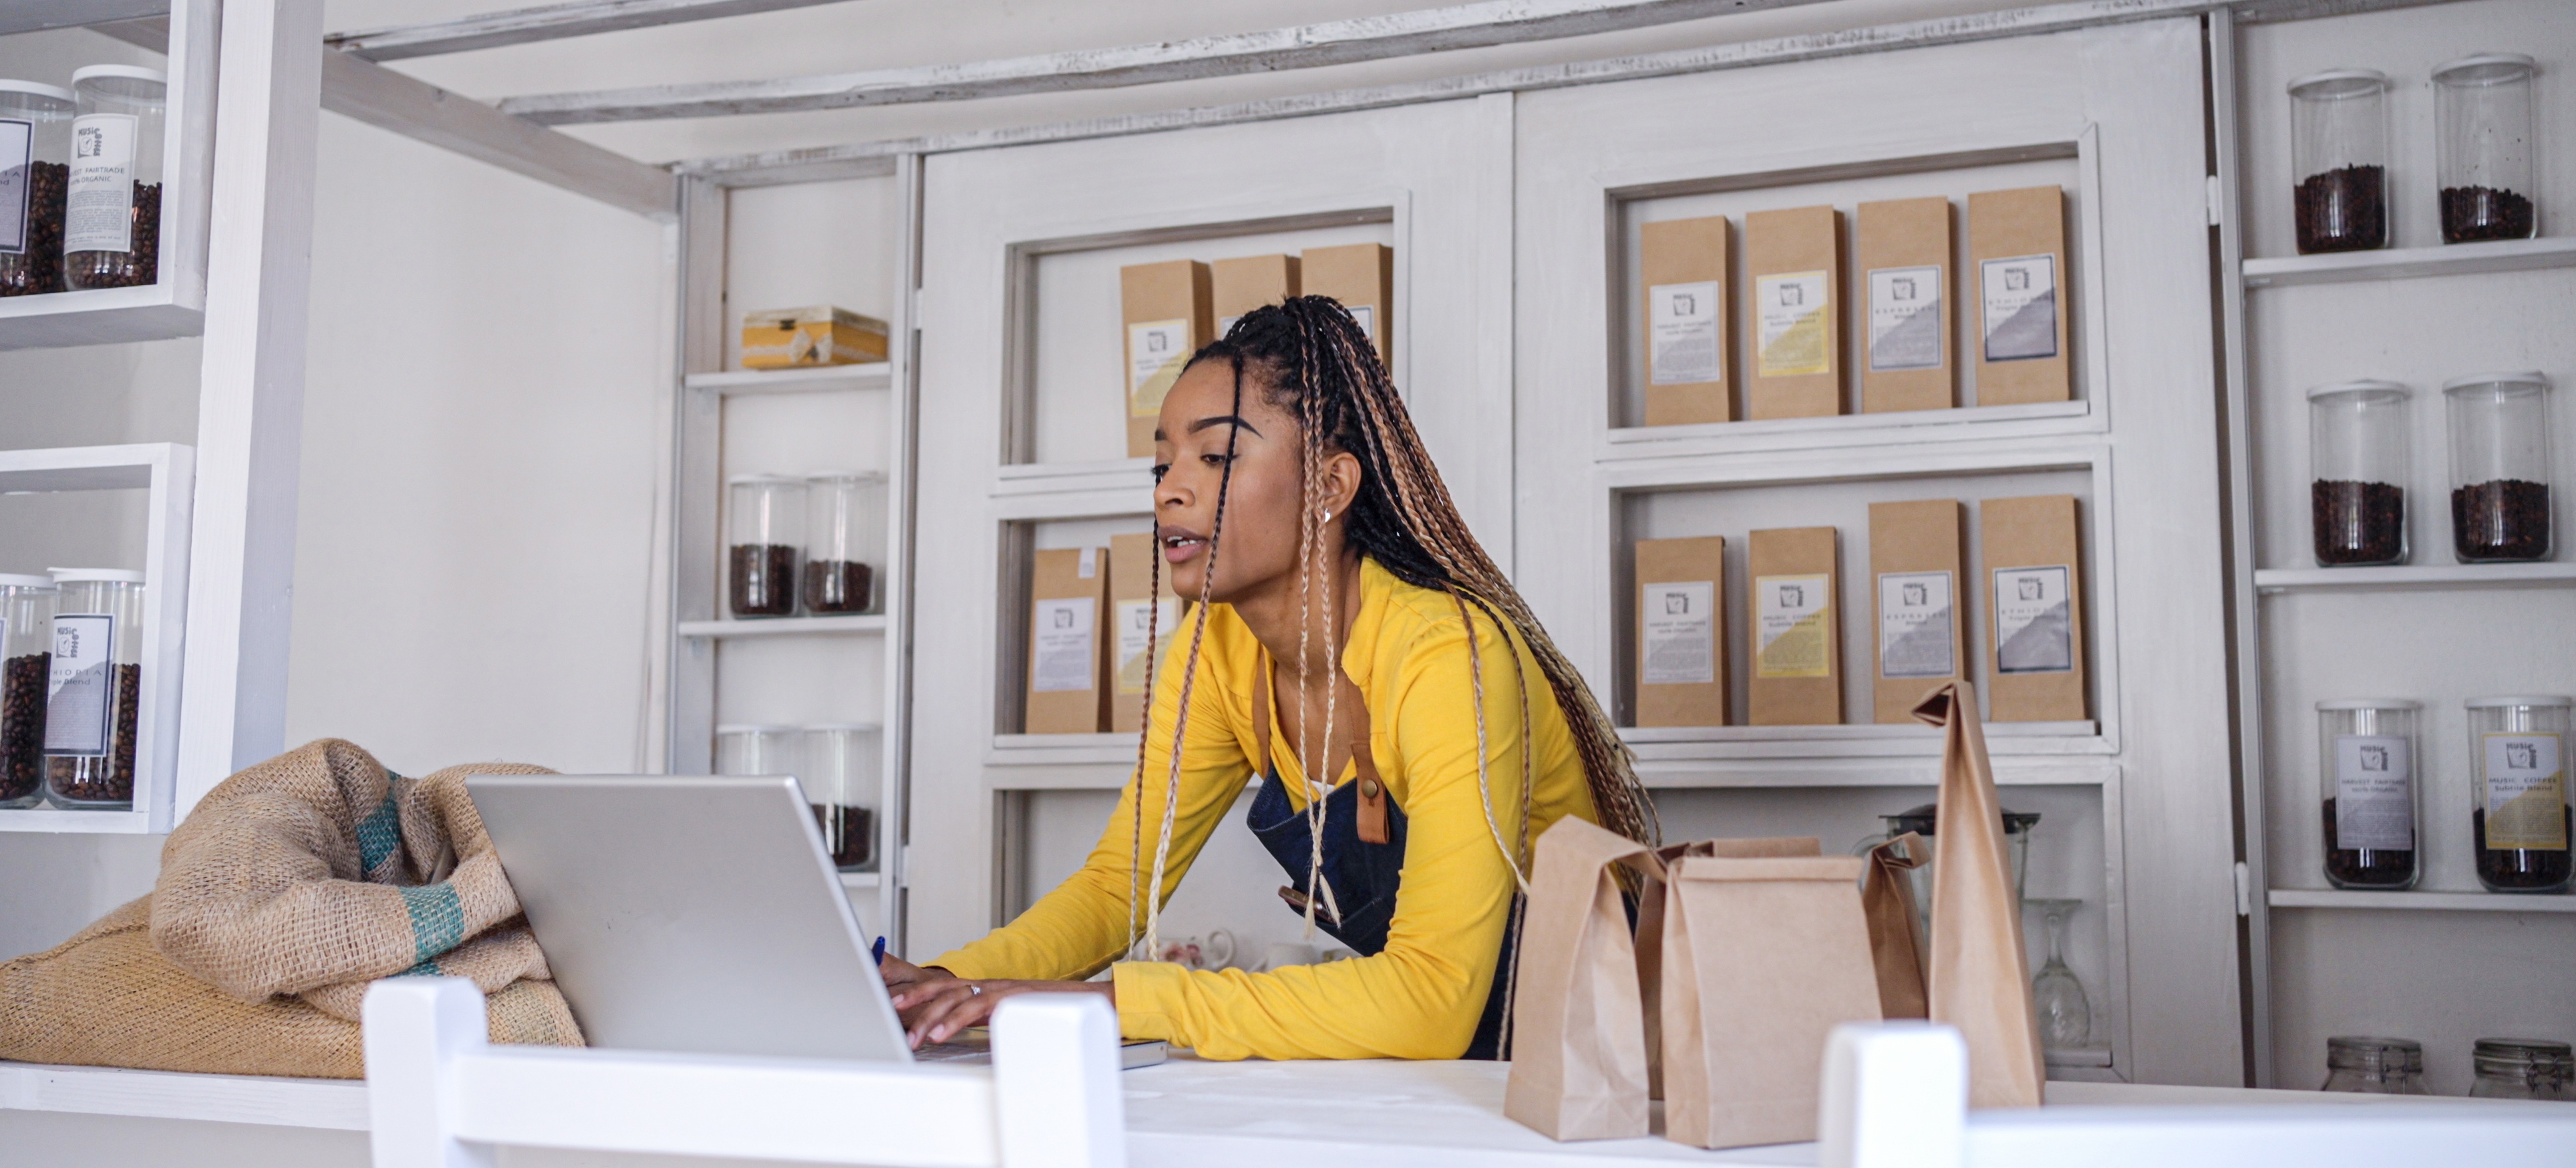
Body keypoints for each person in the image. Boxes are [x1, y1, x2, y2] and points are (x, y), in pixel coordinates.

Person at [880, 296, 1655, 1060]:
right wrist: (945, 986)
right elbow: (1119, 886)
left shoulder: (1446, 655)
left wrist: (1117, 1002)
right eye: (1162, 463)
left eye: (1214, 456)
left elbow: (1432, 998)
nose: (1167, 489)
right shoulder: (1212, 654)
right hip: (1444, 1079)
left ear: (1330, 486)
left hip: (1589, 1072)